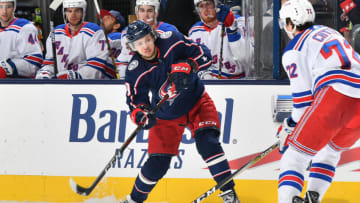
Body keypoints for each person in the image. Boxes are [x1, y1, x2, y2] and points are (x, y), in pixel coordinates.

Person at [121, 20, 240, 203]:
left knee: (208, 142)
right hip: (165, 115)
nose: (145, 46)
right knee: (157, 164)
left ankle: (229, 194)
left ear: (152, 36)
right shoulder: (135, 71)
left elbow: (205, 55)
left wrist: (190, 65)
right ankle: (133, 200)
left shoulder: (173, 40)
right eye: (139, 43)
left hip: (196, 100)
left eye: (146, 40)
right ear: (132, 47)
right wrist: (142, 114)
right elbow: (135, 102)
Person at [276, 0, 360, 202]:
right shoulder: (328, 31)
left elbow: (303, 105)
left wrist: (288, 126)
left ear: (290, 23)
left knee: (294, 157)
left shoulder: (294, 49)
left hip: (338, 93)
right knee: (329, 153)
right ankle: (314, 198)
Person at [36, 0, 116, 79]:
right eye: (69, 11)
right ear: (64, 13)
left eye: (77, 11)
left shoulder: (94, 32)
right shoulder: (56, 33)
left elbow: (96, 67)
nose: (73, 15)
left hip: (92, 86)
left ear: (83, 12)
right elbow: (50, 63)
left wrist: (72, 76)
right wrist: (45, 73)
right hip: (63, 85)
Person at [188, 0, 253, 79]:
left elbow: (247, 59)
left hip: (238, 81)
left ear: (217, 5)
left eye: (208, 4)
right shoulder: (194, 32)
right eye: (201, 6)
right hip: (210, 81)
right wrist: (203, 74)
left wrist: (232, 30)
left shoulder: (238, 22)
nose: (205, 9)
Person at [116, 0, 178, 80]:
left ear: (156, 12)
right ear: (137, 12)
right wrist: (124, 79)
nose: (145, 15)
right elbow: (124, 59)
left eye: (149, 11)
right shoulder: (127, 32)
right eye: (142, 11)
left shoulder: (169, 31)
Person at [0, 0, 43, 79]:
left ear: (14, 8)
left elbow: (35, 61)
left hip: (19, 84)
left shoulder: (25, 27)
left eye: (8, 7)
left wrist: (9, 67)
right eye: (1, 7)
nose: (4, 11)